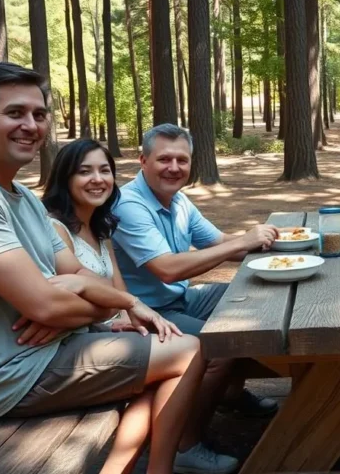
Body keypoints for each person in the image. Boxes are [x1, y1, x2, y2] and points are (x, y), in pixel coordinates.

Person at [0, 62, 208, 474]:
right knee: (188, 350)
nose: (31, 125)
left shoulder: (24, 199)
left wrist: (86, 297)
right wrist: (113, 302)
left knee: (169, 348)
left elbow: (85, 278)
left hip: (54, 351)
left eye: (39, 114)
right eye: (15, 113)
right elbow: (48, 307)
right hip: (13, 374)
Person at [111, 124, 280, 468]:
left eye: (182, 160)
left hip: (180, 299)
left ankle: (229, 395)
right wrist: (243, 241)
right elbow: (168, 269)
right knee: (216, 347)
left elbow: (219, 244)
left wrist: (266, 241)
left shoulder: (179, 200)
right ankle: (186, 446)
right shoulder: (129, 205)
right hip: (147, 315)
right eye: (164, 159)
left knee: (250, 300)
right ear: (143, 161)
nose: (174, 167)